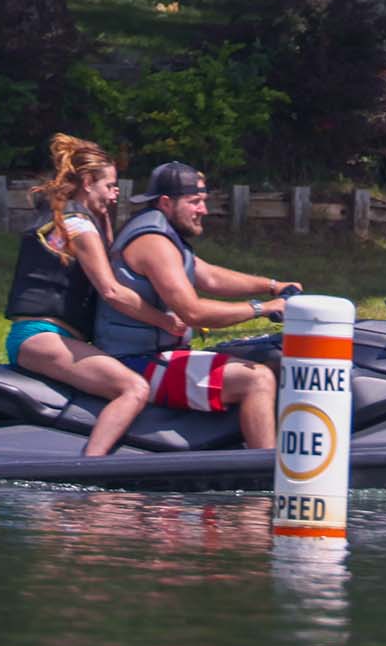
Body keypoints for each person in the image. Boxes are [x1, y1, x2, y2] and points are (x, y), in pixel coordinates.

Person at [94, 161, 300, 449]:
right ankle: (265, 479)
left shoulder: (165, 232)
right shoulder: (153, 242)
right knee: (258, 380)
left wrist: (273, 286)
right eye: (195, 202)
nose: (203, 210)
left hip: (159, 355)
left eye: (203, 201)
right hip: (136, 363)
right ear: (166, 202)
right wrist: (263, 308)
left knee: (272, 360)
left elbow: (210, 277)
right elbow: (193, 312)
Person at [4, 134, 186, 457]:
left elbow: (110, 260)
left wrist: (103, 218)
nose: (115, 195)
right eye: (110, 186)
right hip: (43, 337)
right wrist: (166, 321)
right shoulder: (81, 229)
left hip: (40, 336)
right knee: (133, 387)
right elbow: (113, 291)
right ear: (88, 182)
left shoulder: (70, 219)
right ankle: (92, 467)